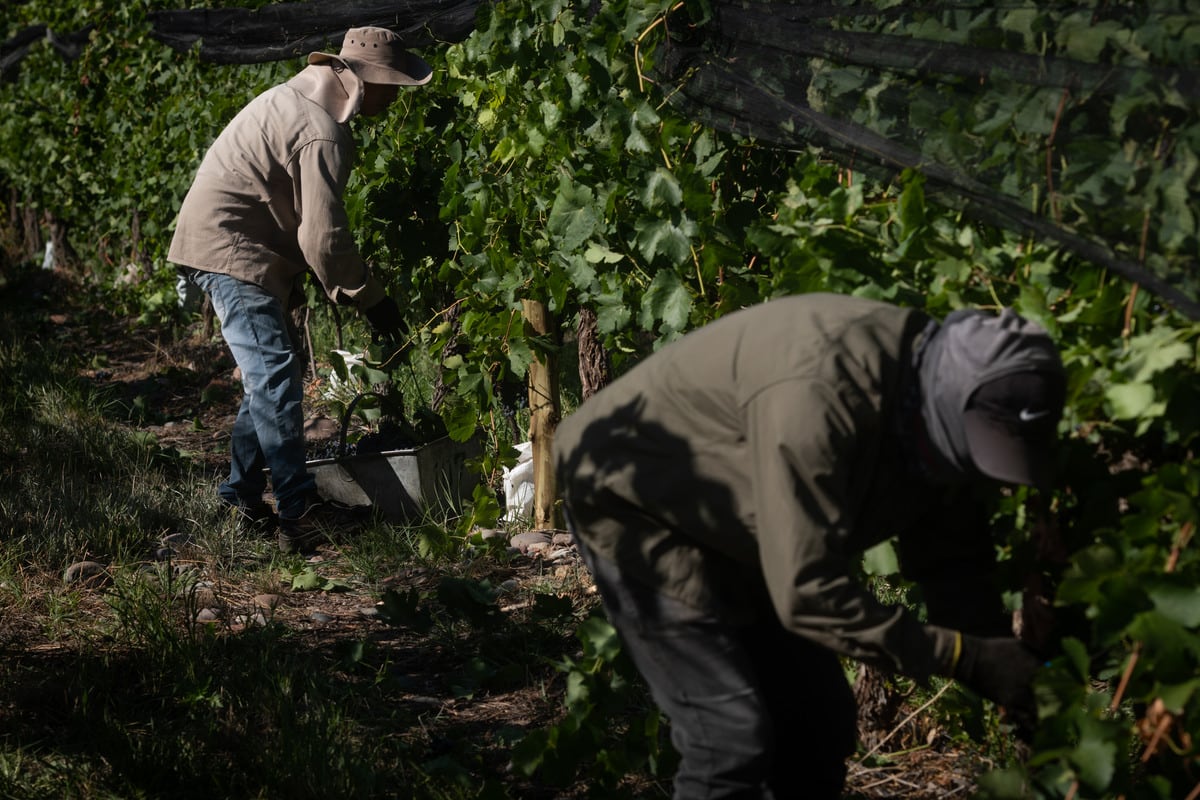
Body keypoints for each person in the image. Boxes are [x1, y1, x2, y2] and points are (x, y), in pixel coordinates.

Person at [553, 293, 1066, 799]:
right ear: (947, 401)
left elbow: (952, 559)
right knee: (729, 738)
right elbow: (807, 594)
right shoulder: (818, 394)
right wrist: (963, 656)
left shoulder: (935, 401)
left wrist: (1003, 661)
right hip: (632, 494)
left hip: (747, 509)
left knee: (820, 721)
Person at [169, 27, 431, 553]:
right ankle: (298, 511)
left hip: (228, 245)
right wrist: (373, 301)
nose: (395, 96)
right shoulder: (321, 132)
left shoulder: (295, 99)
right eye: (392, 86)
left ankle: (239, 500)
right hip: (230, 251)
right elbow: (324, 239)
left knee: (271, 376)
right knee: (274, 377)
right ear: (364, 82)